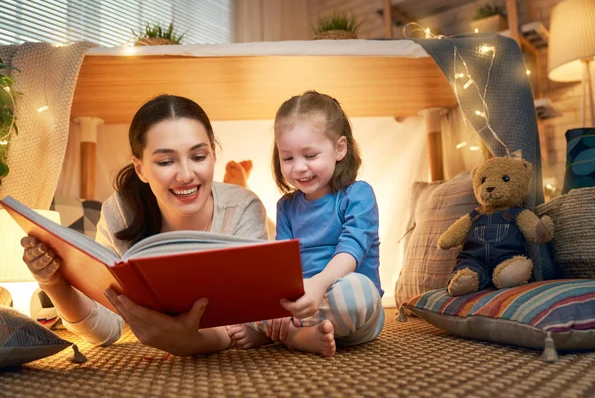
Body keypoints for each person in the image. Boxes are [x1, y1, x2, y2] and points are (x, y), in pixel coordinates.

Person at [20, 94, 268, 356]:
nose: (185, 175)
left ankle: (239, 179)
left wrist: (191, 341)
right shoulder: (120, 213)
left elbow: (254, 319)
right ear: (139, 168)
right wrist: (52, 283)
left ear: (213, 155)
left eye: (198, 157)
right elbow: (106, 330)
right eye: (165, 162)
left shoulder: (242, 208)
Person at [227, 91, 384, 357]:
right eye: (287, 158)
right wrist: (278, 301)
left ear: (339, 148)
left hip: (349, 310)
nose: (299, 167)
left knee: (358, 292)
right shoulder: (286, 207)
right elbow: (283, 266)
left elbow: (353, 249)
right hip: (301, 304)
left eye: (310, 155)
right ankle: (295, 333)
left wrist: (319, 284)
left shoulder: (358, 194)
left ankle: (283, 333)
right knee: (241, 287)